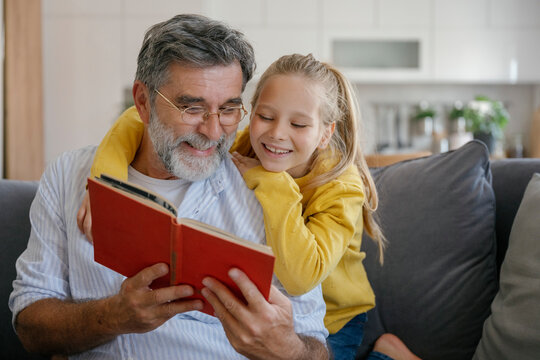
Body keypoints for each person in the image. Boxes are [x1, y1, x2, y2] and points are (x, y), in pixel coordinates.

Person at [9, 14, 330, 359]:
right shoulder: (68, 176)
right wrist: (112, 317)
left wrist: (288, 349)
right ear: (143, 102)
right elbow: (30, 326)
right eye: (192, 107)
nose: (212, 131)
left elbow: (316, 344)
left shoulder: (270, 193)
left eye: (228, 109)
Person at [77, 52, 415, 360]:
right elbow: (135, 120)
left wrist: (271, 183)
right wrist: (105, 183)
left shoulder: (341, 187)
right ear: (249, 113)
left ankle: (387, 354)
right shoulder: (245, 146)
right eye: (265, 116)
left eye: (298, 125)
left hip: (333, 317)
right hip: (266, 311)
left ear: (325, 134)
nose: (277, 134)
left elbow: (300, 278)